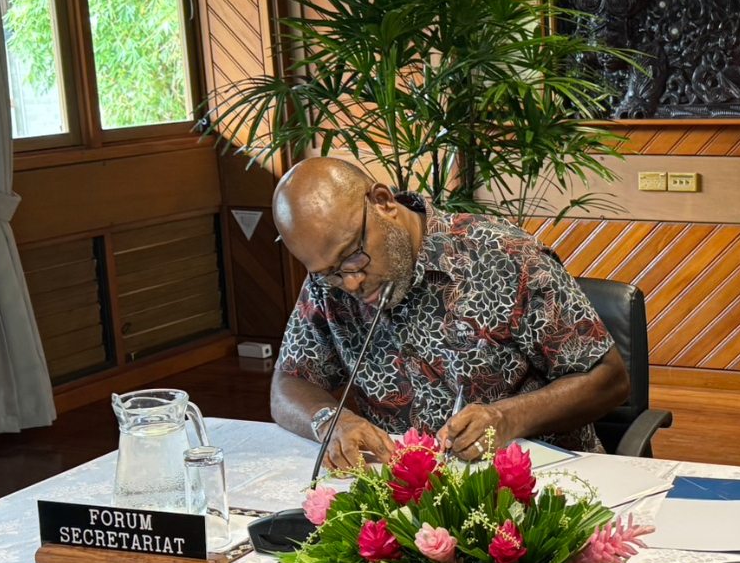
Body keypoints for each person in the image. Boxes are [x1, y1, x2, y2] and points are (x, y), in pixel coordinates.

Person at [270, 158, 630, 469]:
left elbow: (610, 379)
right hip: (409, 494)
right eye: (330, 271)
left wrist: (508, 419)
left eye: (352, 255)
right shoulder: (330, 280)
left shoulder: (505, 257)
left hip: (535, 483)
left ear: (382, 202)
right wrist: (330, 421)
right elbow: (288, 383)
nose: (350, 283)